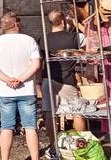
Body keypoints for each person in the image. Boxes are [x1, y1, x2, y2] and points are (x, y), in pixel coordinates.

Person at [0, 12, 41, 160]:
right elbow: (36, 64)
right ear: (16, 24)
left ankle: (5, 158)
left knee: (6, 126)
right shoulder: (29, 40)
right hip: (27, 89)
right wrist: (21, 79)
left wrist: (7, 80)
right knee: (30, 126)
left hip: (6, 91)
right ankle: (35, 158)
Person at [40, 10, 87, 159]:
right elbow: (89, 36)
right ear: (63, 22)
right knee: (77, 112)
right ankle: (81, 148)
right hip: (67, 80)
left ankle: (54, 149)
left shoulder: (43, 40)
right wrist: (76, 24)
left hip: (48, 79)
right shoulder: (74, 37)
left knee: (49, 113)